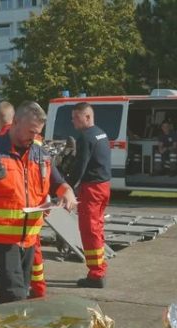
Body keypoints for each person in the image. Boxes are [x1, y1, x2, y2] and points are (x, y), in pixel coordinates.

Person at [0, 101, 77, 303]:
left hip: (30, 238)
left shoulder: (40, 153)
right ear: (15, 122)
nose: (34, 138)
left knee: (21, 294)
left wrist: (67, 192)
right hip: (3, 240)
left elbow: (57, 182)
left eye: (37, 133)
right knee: (15, 298)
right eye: (30, 132)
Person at [68, 102, 112, 289]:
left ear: (87, 117)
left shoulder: (85, 137)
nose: (73, 122)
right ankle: (100, 267)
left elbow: (80, 166)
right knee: (97, 229)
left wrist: (67, 187)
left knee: (89, 231)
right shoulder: (100, 132)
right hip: (104, 186)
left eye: (76, 118)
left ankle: (96, 275)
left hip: (92, 189)